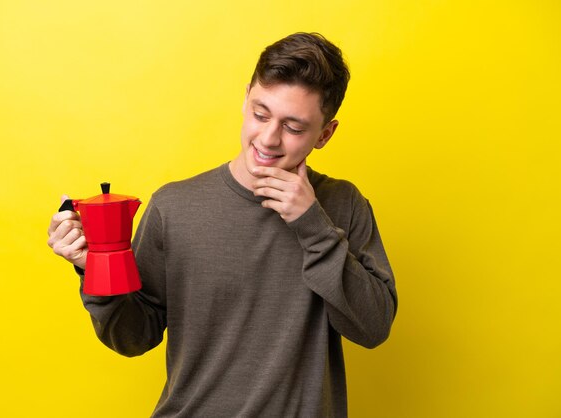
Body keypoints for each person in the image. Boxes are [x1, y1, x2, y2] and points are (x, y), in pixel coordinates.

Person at [47, 32, 397, 417]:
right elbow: (133, 336)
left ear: (324, 134)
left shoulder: (343, 205)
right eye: (260, 113)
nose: (268, 138)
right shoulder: (174, 206)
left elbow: (373, 327)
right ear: (246, 97)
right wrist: (92, 266)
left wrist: (313, 226)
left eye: (293, 127)